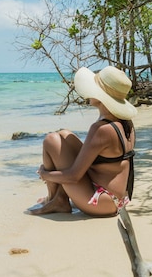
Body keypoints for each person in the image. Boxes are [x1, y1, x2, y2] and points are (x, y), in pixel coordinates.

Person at [28, 66, 137, 217]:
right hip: (119, 198)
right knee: (64, 135)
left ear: (101, 96)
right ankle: (58, 198)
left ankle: (57, 200)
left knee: (51, 140)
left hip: (103, 202)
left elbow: (74, 176)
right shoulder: (125, 122)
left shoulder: (101, 129)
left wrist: (45, 174)